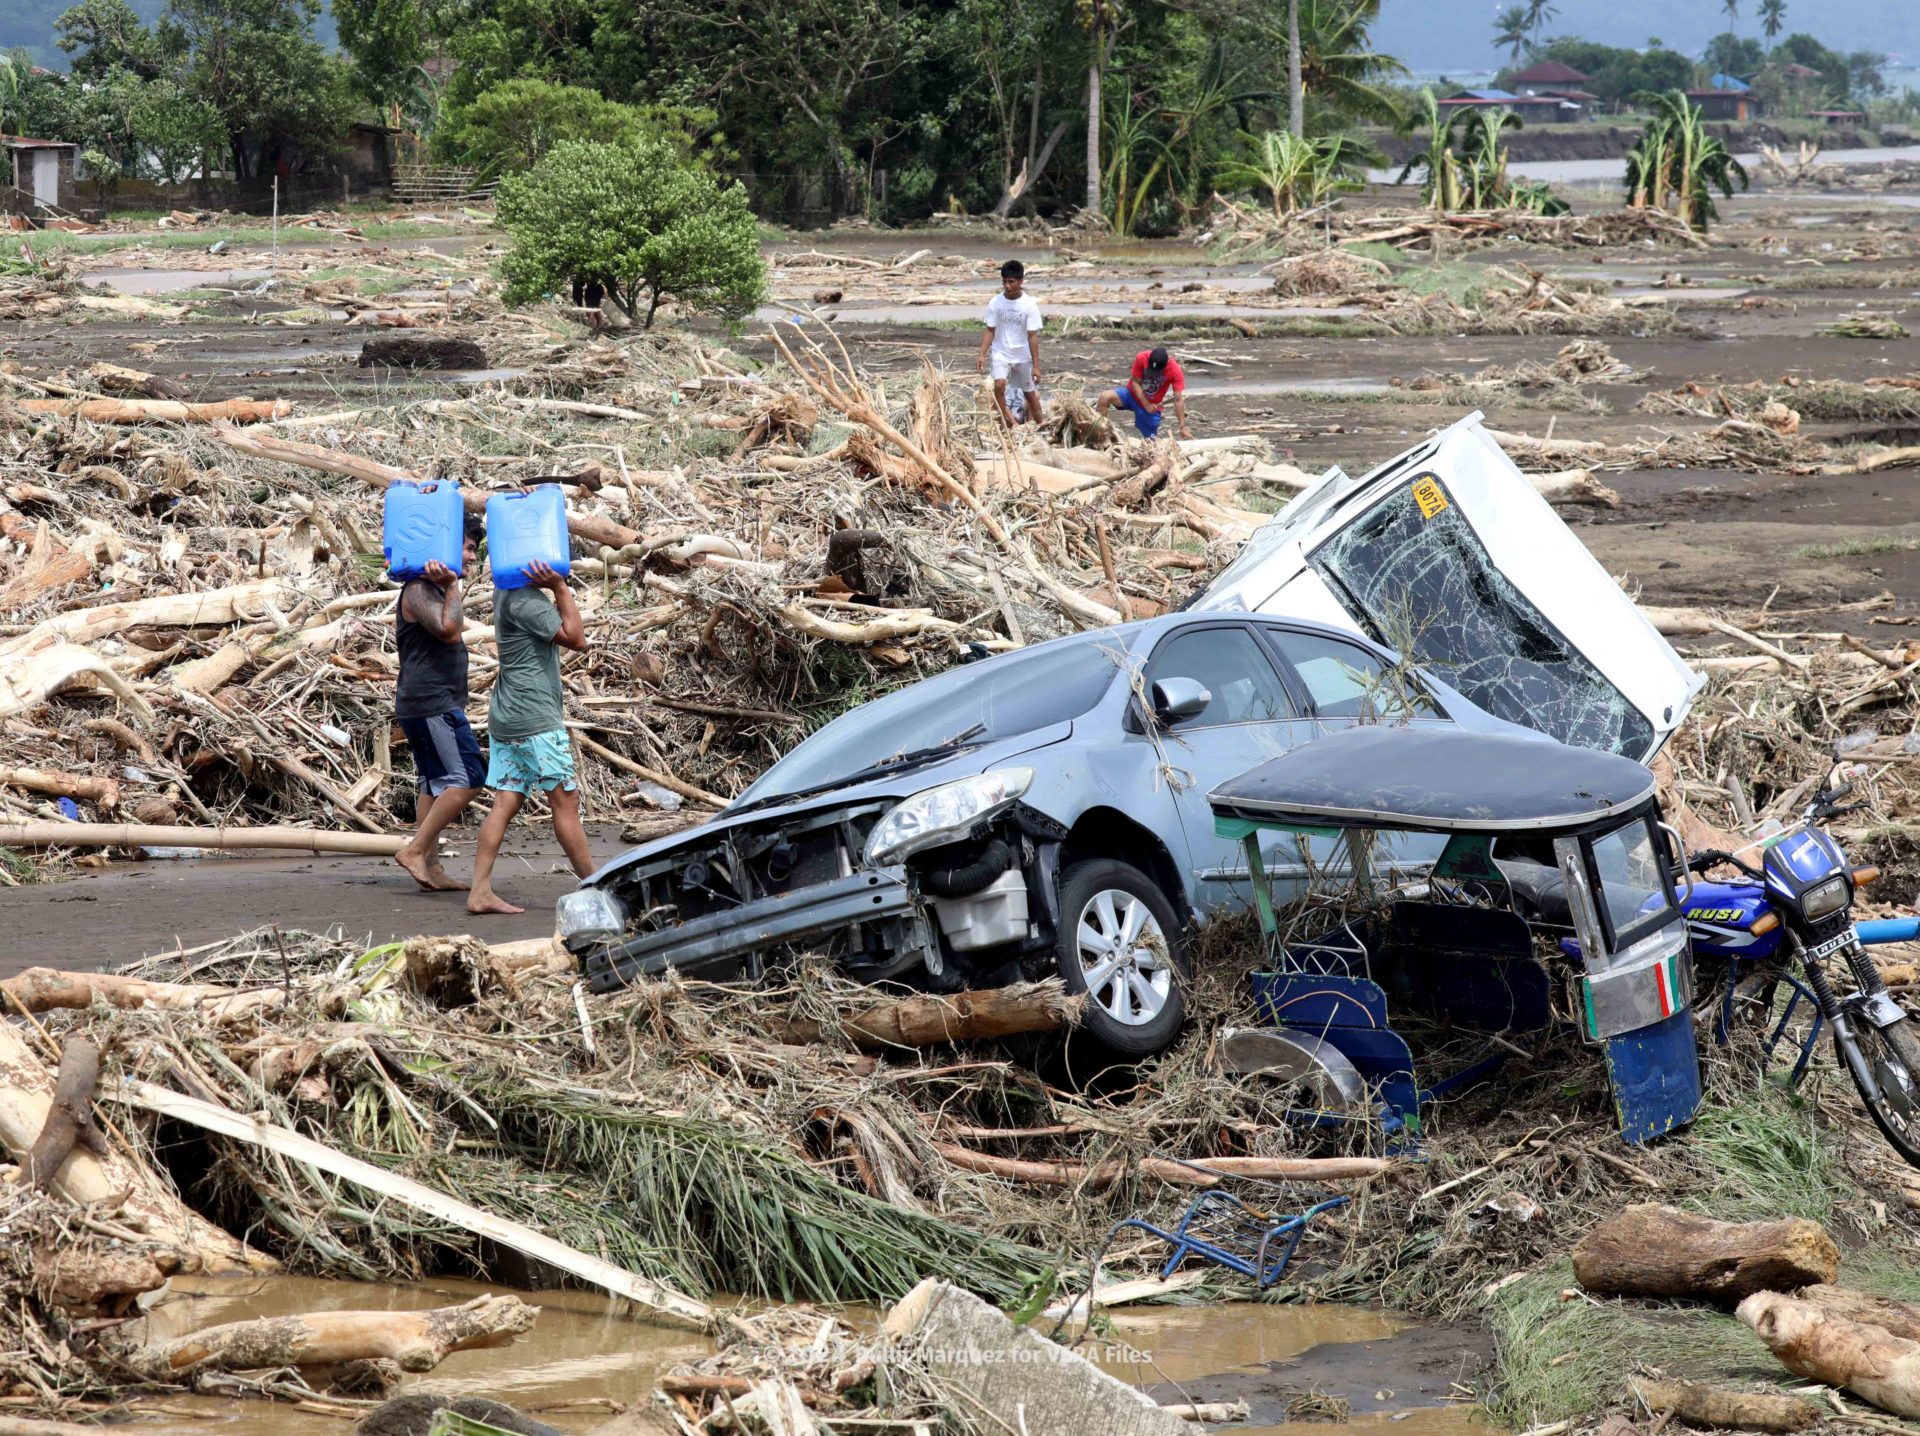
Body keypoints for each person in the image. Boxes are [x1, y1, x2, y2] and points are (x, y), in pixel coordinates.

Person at [468, 560, 592, 916]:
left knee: (506, 800)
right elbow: (577, 638)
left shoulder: (506, 591)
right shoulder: (526, 600)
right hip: (534, 718)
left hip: (507, 714)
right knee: (565, 803)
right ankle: (598, 885)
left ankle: (480, 891)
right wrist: (561, 588)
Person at [392, 514, 485, 893]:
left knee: (432, 785)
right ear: (447, 548)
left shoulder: (429, 588)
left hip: (425, 701)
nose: (472, 559)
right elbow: (449, 631)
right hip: (431, 703)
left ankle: (429, 868)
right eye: (468, 549)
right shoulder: (418, 589)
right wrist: (452, 585)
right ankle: (415, 851)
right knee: (470, 778)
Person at [977, 258, 1043, 428]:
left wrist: (1036, 366)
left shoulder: (1029, 305)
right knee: (999, 385)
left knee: (1030, 394)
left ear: (1020, 281)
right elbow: (990, 330)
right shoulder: (995, 302)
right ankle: (1011, 422)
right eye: (1005, 281)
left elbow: (1032, 337)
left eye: (1011, 282)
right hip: (1001, 352)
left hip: (1022, 355)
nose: (1007, 285)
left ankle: (1042, 426)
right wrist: (982, 354)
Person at [1097, 346, 1194, 440]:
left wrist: (1182, 427)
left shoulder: (1175, 371)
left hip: (1151, 406)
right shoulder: (1142, 357)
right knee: (1104, 397)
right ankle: (1099, 436)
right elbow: (1135, 382)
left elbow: (1178, 400)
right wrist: (1146, 404)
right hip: (1131, 395)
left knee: (1151, 442)